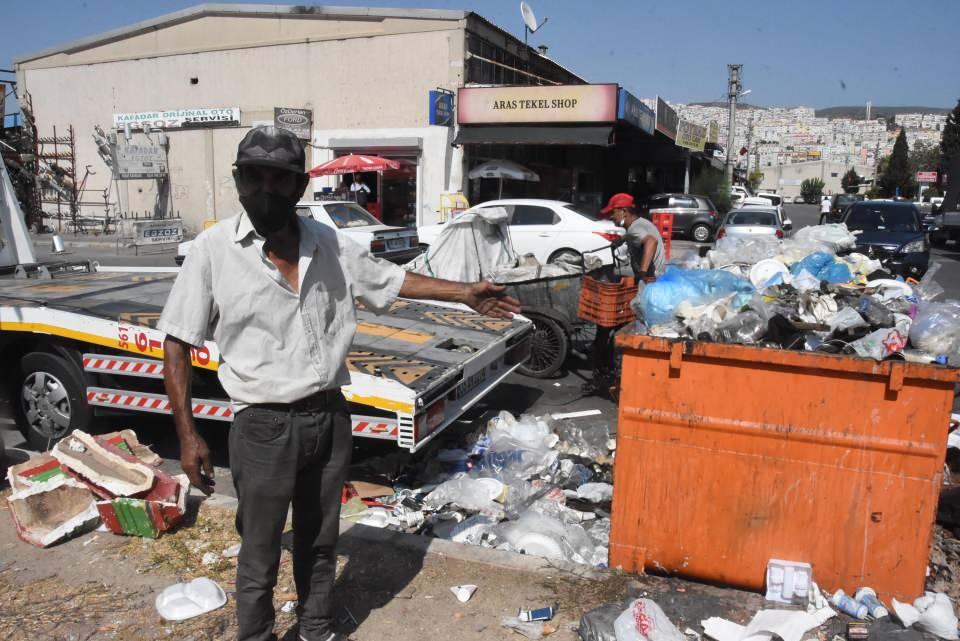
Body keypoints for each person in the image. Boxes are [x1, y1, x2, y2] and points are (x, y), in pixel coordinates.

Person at [158, 126, 519, 641]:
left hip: (329, 417)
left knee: (319, 540)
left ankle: (317, 628)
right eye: (252, 177)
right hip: (262, 427)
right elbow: (177, 342)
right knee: (259, 552)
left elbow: (388, 281)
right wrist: (188, 434)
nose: (264, 189)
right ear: (237, 180)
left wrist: (464, 292)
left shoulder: (327, 242)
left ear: (299, 185)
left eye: (278, 179)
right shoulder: (214, 250)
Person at [600, 192, 665, 281]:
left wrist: (642, 273)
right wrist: (621, 240)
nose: (611, 216)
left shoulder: (635, 229)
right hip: (658, 275)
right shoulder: (639, 223)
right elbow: (634, 235)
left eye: (612, 212)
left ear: (624, 211)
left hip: (651, 281)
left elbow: (651, 241)